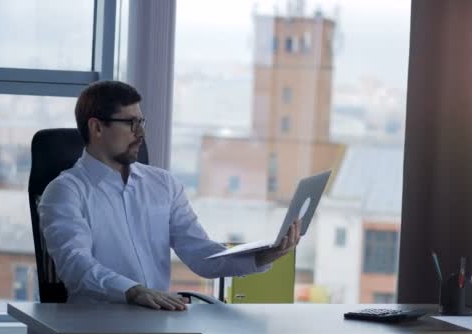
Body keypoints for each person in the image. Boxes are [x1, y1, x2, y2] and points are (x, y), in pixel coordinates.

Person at [38, 80, 301, 310]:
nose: (141, 133)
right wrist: (133, 291)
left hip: (158, 321)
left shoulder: (162, 184)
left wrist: (261, 257)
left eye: (141, 121)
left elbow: (202, 256)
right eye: (130, 123)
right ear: (96, 128)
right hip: (98, 327)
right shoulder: (65, 192)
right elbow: (75, 265)